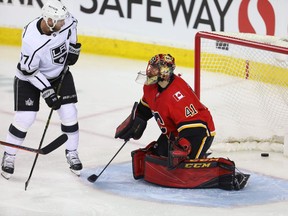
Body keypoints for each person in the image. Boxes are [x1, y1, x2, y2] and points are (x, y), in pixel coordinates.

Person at [1, 0, 82, 179]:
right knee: (25, 118)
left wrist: (74, 47)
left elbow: (73, 24)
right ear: (48, 20)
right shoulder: (31, 40)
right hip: (29, 79)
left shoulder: (64, 21)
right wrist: (48, 91)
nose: (63, 23)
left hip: (59, 74)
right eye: (59, 21)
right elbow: (28, 71)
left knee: (69, 113)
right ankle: (9, 155)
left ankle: (72, 152)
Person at [116, 53, 216, 161]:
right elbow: (145, 108)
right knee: (157, 159)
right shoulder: (150, 87)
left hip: (200, 133)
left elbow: (197, 128)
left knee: (180, 166)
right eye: (150, 67)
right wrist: (136, 120)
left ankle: (200, 155)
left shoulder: (178, 95)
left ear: (165, 71)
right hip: (173, 133)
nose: (149, 71)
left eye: (154, 69)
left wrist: (184, 145)